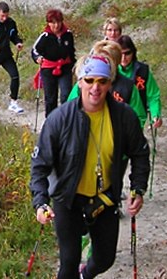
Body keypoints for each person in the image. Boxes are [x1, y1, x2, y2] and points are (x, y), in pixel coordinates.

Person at [30, 49, 150, 279]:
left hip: (104, 199)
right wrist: (40, 202)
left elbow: (140, 153)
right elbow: (40, 165)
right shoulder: (59, 119)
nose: (96, 87)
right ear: (80, 81)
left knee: (105, 259)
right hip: (68, 199)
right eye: (90, 80)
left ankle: (85, 276)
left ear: (110, 83)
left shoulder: (124, 117)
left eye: (102, 81)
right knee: (69, 263)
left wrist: (138, 188)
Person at [31, 8, 76, 117]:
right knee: (50, 98)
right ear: (48, 23)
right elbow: (35, 50)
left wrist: (73, 65)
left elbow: (71, 51)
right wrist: (37, 58)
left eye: (59, 22)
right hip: (48, 70)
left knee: (66, 94)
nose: (56, 25)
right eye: (53, 23)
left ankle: (66, 118)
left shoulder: (68, 34)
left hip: (65, 68)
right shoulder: (45, 37)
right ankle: (51, 120)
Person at [116, 35, 163, 129]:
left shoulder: (143, 71)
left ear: (133, 52)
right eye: (120, 54)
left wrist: (155, 114)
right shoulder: (110, 71)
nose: (123, 58)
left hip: (137, 119)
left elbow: (153, 95)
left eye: (127, 53)